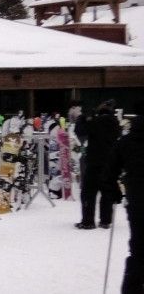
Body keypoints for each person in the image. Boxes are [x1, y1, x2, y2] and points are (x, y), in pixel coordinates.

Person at [74, 100, 122, 230]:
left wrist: (82, 118)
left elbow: (80, 131)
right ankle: (105, 220)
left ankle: (88, 221)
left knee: (88, 192)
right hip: (110, 163)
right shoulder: (115, 123)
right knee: (106, 192)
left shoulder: (96, 122)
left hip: (94, 162)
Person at [111, 104, 142, 294]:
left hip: (137, 201)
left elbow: (110, 172)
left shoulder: (126, 141)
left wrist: (114, 192)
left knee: (138, 250)